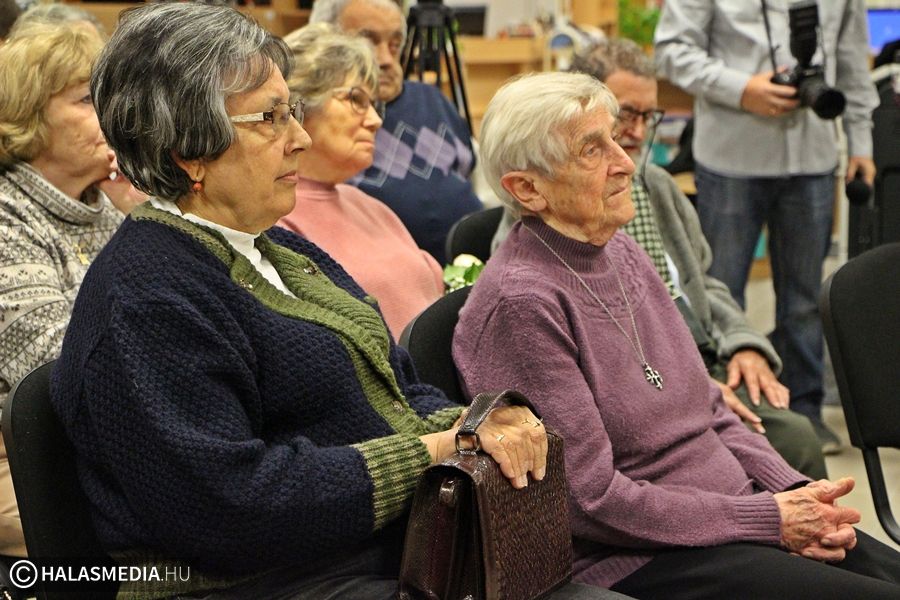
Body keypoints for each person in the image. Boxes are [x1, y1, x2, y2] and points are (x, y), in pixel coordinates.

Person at [50, 5, 628, 600]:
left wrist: (472, 424)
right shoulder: (147, 297)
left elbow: (400, 388)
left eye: (293, 112)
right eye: (271, 118)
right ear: (188, 152)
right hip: (263, 583)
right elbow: (233, 509)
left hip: (382, 556)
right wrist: (433, 451)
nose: (299, 138)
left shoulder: (280, 252)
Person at [452, 71, 900, 599]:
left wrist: (797, 494)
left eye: (615, 138)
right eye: (592, 150)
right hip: (638, 557)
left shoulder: (620, 251)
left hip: (732, 520)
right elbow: (590, 501)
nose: (625, 162)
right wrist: (768, 518)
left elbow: (709, 407)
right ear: (527, 189)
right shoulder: (521, 306)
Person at [494, 39, 826, 479]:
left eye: (647, 117)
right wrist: (692, 389)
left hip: (700, 354)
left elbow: (703, 283)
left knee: (796, 439)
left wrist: (744, 342)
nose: (634, 134)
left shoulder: (658, 187)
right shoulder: (542, 219)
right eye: (623, 116)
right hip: (651, 378)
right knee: (788, 443)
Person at [654, 0, 880, 454]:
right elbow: (671, 50)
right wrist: (742, 88)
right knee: (719, 291)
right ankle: (723, 414)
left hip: (813, 157)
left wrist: (861, 143)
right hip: (731, 156)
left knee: (805, 300)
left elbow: (852, 60)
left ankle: (806, 413)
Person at [0, 20, 141, 557]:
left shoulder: (108, 205)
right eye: (87, 99)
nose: (113, 114)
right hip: (26, 458)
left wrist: (148, 216)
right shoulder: (7, 216)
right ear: (28, 115)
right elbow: (56, 369)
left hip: (111, 440)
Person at [278, 23, 443, 340]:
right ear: (299, 106)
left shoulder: (371, 206)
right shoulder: (274, 216)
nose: (376, 120)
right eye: (356, 99)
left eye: (374, 104)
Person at [309, 0, 483, 265]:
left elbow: (470, 173)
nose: (386, 60)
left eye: (394, 44)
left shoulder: (433, 99)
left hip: (469, 267)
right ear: (323, 42)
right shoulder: (320, 120)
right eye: (367, 43)